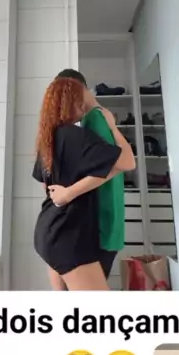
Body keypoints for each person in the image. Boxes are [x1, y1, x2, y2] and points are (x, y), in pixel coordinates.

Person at [32, 75, 135, 291]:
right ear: (72, 102)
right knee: (96, 309)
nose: (83, 106)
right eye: (80, 99)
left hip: (48, 229)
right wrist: (113, 127)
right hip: (68, 236)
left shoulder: (48, 138)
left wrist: (70, 190)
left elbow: (46, 187)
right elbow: (128, 162)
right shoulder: (75, 136)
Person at [56, 69, 127, 281]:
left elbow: (119, 164)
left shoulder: (94, 119)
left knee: (90, 293)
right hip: (109, 218)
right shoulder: (98, 116)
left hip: (102, 220)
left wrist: (68, 192)